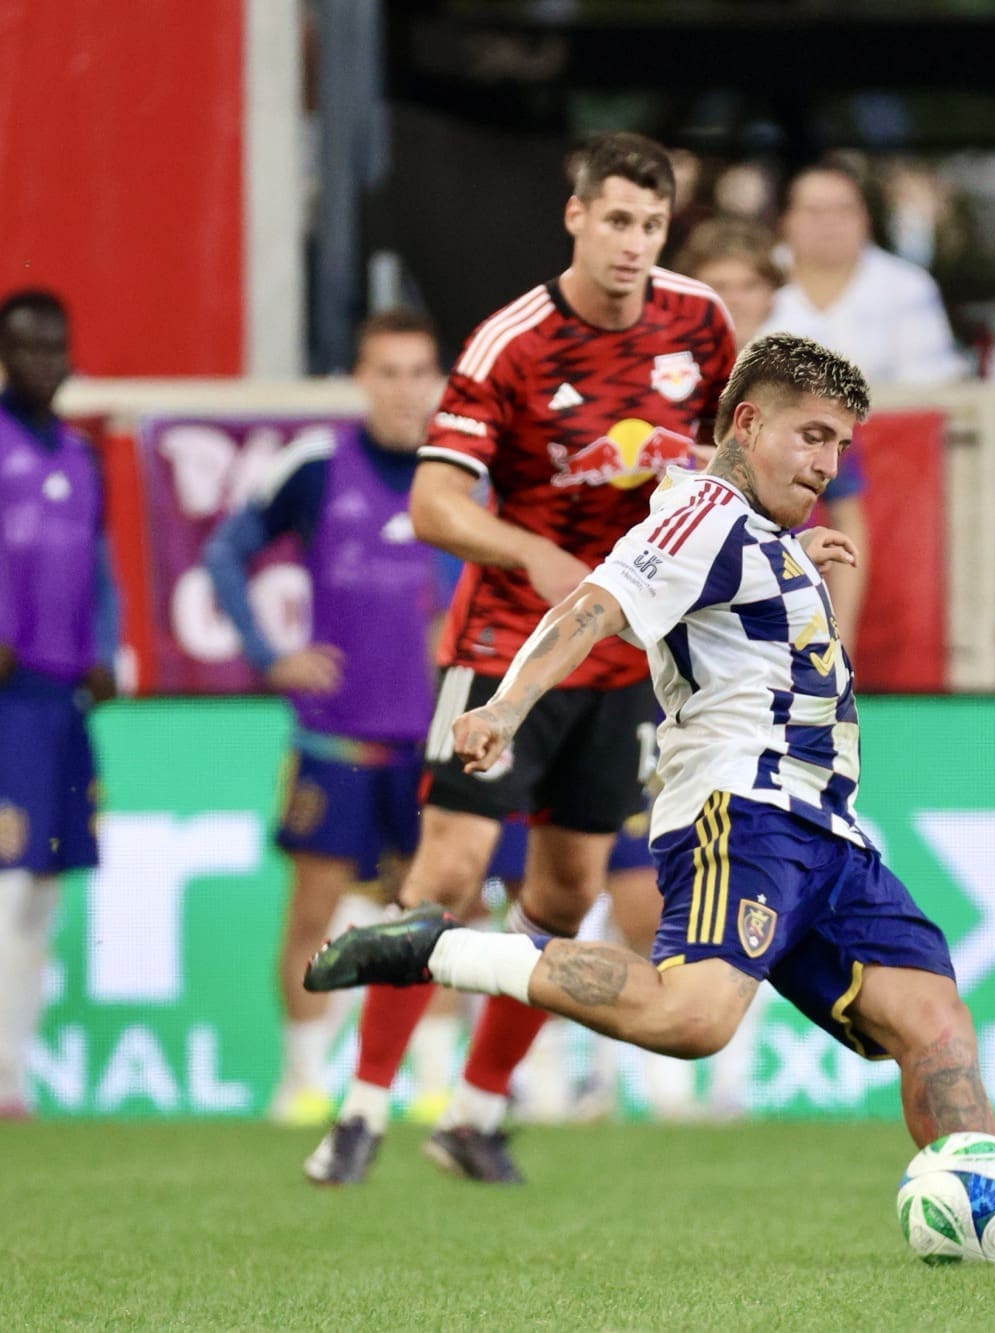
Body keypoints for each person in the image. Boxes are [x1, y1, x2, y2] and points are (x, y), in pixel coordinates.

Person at [306, 333, 995, 1262]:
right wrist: (507, 704)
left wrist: (790, 552)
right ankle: (445, 947)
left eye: (841, 446)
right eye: (813, 436)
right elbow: (595, 604)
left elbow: (735, 586)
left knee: (935, 1020)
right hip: (741, 812)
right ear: (746, 422)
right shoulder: (699, 513)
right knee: (692, 1017)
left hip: (829, 831)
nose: (828, 464)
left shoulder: (755, 534)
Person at [305, 130, 738, 1185]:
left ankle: (474, 1113)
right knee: (446, 873)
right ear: (575, 216)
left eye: (651, 225)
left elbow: (731, 460)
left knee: (564, 890)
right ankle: (361, 1110)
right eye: (616, 221)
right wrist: (534, 553)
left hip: (631, 655)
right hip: (511, 645)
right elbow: (433, 501)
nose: (634, 245)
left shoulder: (702, 326)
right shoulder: (512, 342)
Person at [201, 309, 449, 1127]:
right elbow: (225, 551)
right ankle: (303, 1080)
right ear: (358, 379)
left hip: (436, 738)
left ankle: (434, 1084)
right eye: (387, 370)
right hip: (334, 735)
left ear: (439, 381)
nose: (404, 388)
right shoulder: (316, 465)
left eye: (419, 371)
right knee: (313, 909)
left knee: (441, 914)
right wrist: (270, 653)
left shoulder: (464, 475)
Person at [0, 289, 119, 1119]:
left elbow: (99, 561)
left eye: (54, 347)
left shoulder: (80, 456)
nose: (43, 362)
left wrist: (105, 649)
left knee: (44, 891)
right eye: (25, 348)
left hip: (62, 699)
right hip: (5, 703)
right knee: (5, 886)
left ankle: (12, 1075)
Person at [677, 217, 869, 641]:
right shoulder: (657, 387)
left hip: (775, 612)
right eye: (719, 286)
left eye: (749, 285)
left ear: (771, 295)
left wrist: (842, 633)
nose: (735, 300)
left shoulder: (811, 389)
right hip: (672, 607)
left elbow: (848, 518)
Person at [765, 161, 964, 388]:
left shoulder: (908, 286)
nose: (830, 222)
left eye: (843, 209)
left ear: (865, 218)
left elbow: (931, 383)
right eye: (814, 211)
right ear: (786, 220)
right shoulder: (749, 278)